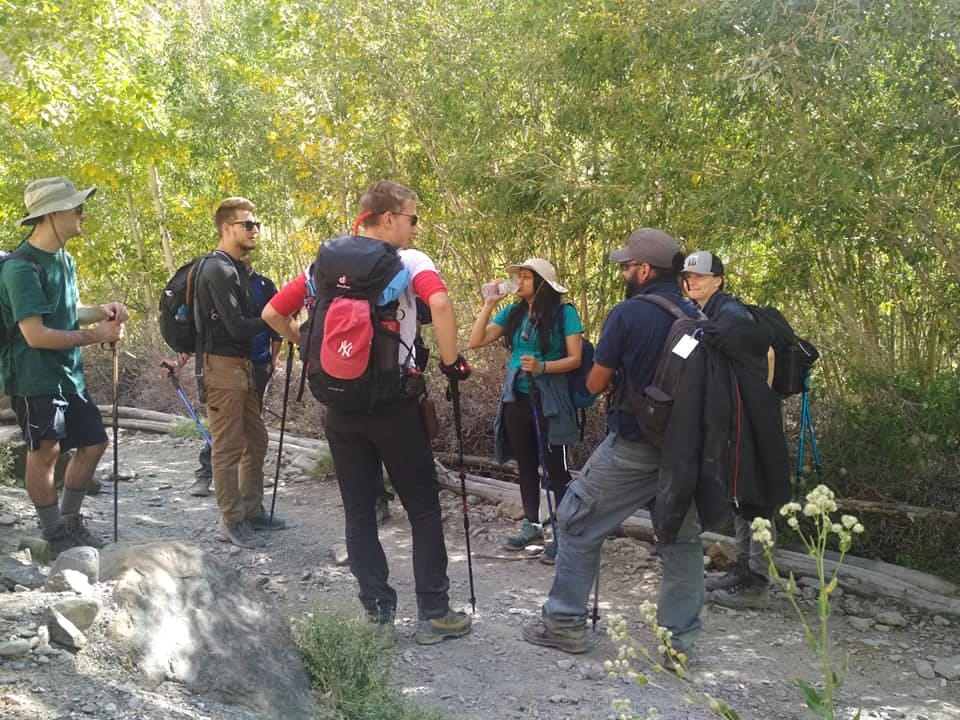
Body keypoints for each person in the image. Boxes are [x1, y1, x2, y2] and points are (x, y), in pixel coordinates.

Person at [263, 180, 472, 645]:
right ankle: (434, 614)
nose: (416, 229)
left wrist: (312, 349)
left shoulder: (325, 263)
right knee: (422, 509)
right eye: (413, 219)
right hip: (394, 406)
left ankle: (377, 616)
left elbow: (272, 315)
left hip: (338, 407)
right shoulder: (410, 262)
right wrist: (450, 361)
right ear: (389, 217)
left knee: (359, 513)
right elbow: (438, 301)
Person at [521, 227, 705, 660]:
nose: (623, 272)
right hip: (686, 452)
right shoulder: (698, 314)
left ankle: (565, 623)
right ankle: (680, 645)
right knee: (681, 543)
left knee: (575, 519)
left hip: (635, 444)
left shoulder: (628, 314)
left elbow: (596, 380)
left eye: (626, 266)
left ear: (644, 269)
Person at [0, 177, 127, 555]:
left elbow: (66, 313)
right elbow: (36, 335)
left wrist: (100, 311)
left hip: (68, 375)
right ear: (52, 214)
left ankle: (70, 522)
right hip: (34, 377)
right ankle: (54, 534)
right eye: (76, 208)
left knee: (94, 443)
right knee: (47, 452)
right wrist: (96, 334)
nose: (82, 214)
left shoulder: (64, 260)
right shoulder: (20, 269)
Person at [681, 250, 785, 610]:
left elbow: (767, 351)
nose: (692, 281)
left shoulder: (731, 313)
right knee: (741, 495)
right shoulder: (710, 312)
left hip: (753, 420)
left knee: (757, 496)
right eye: (688, 277)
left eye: (700, 276)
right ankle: (743, 568)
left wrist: (762, 397)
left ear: (718, 280)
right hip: (738, 419)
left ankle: (758, 583)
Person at [468, 258, 582, 564]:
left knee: (556, 468)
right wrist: (489, 304)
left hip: (550, 401)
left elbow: (575, 358)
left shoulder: (564, 313)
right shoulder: (514, 312)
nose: (518, 280)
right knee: (526, 464)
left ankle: (565, 532)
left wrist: (543, 366)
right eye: (518, 275)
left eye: (526, 276)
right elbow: (475, 340)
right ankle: (531, 524)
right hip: (515, 399)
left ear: (542, 283)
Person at [188, 196, 285, 549]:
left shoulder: (237, 269)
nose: (255, 229)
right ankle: (230, 521)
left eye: (256, 224)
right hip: (222, 368)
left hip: (242, 367)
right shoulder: (218, 269)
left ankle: (251, 510)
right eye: (248, 224)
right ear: (227, 228)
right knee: (227, 447)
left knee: (256, 440)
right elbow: (235, 327)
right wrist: (276, 317)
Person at [191, 260, 281, 497]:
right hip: (225, 364)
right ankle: (205, 475)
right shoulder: (219, 280)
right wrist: (180, 360)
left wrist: (274, 358)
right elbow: (201, 327)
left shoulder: (264, 284)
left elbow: (276, 326)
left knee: (254, 433)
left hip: (257, 364)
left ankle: (249, 498)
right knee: (227, 431)